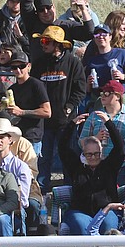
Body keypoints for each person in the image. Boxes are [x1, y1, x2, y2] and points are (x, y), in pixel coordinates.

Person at [33, 27, 88, 189]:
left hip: (66, 121)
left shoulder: (73, 63)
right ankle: (42, 188)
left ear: (57, 44)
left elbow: (81, 89)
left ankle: (69, 188)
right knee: (44, 157)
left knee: (67, 155)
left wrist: (69, 107)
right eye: (41, 41)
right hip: (44, 121)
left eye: (46, 41)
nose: (42, 44)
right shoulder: (39, 63)